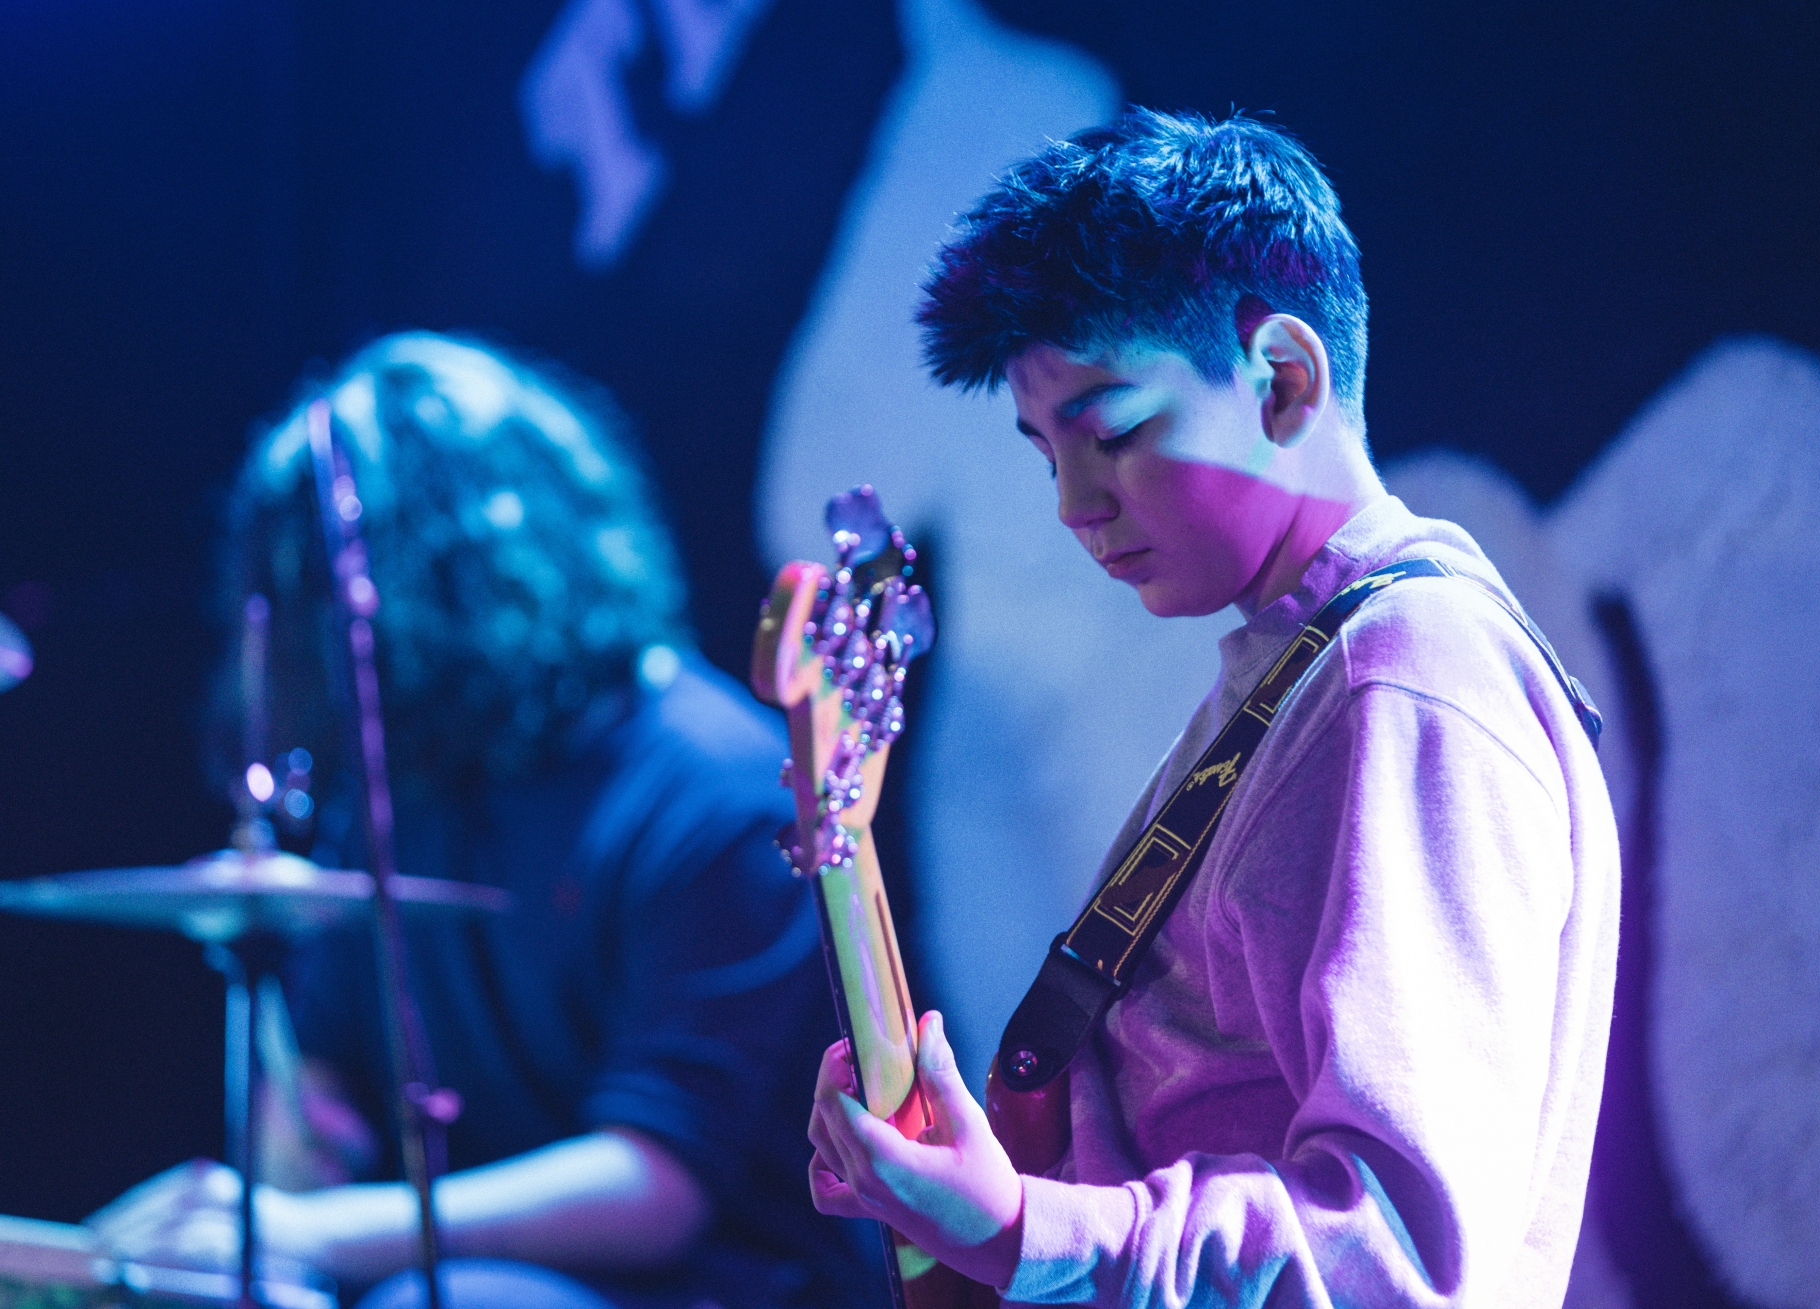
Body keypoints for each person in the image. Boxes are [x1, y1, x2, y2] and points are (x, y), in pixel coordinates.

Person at [804, 110, 1621, 1307]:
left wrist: (1025, 1226)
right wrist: (960, 1195)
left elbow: (1397, 1257)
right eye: (1044, 456)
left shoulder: (1402, 669)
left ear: (1283, 380)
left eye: (1115, 433)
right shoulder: (1301, 668)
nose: (1076, 505)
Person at [88, 334, 870, 1309]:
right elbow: (326, 1085)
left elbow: (655, 1186)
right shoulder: (406, 780)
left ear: (455, 577)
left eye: (331, 599)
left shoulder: (720, 791)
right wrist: (299, 1135)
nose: (321, 640)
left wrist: (297, 1228)